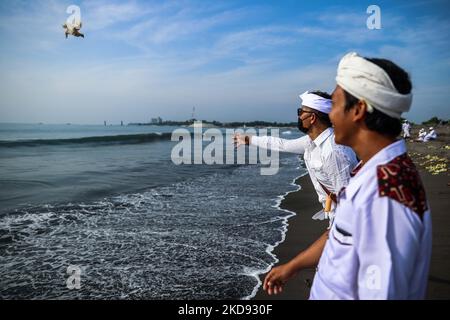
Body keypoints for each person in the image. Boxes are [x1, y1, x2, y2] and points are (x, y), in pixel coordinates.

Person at [308, 52, 432, 299]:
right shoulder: (375, 172)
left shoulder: (384, 194)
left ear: (359, 110)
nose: (330, 115)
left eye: (334, 104)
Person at [234, 91, 358, 295]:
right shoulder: (313, 141)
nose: (299, 115)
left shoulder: (334, 151)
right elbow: (281, 144)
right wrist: (249, 139)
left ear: (313, 117)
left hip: (346, 223)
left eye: (301, 111)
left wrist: (293, 266)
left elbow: (350, 210)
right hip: (335, 217)